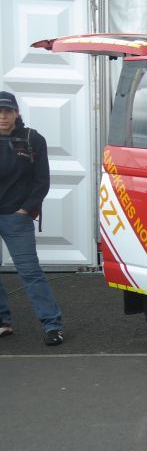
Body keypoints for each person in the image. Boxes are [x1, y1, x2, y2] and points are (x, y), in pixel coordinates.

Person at [0, 91, 64, 345]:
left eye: (8, 111)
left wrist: (26, 210)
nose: (3, 116)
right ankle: (3, 322)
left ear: (17, 113)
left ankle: (52, 325)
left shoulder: (32, 139)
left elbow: (41, 180)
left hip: (16, 217)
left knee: (30, 272)